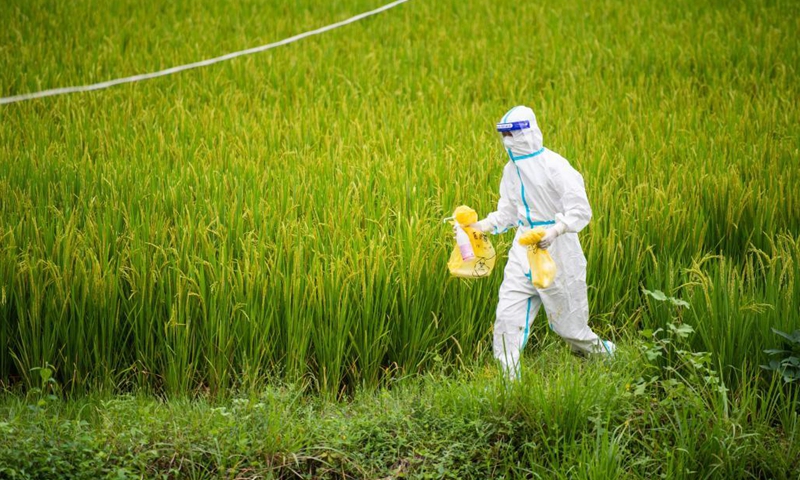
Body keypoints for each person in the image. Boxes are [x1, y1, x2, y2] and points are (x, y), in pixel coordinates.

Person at [470, 105, 615, 380]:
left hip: (558, 251)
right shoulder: (511, 170)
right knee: (507, 318)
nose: (508, 141)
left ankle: (607, 356)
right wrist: (483, 226)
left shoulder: (556, 166)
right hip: (523, 247)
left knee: (569, 328)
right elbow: (509, 212)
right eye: (504, 135)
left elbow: (580, 209)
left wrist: (557, 230)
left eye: (513, 134)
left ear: (528, 132)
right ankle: (508, 385)